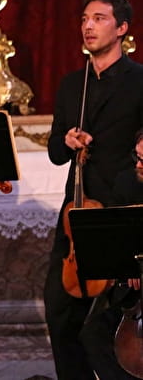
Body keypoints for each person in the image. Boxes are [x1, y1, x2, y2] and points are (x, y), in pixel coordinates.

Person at [46, 0, 143, 379]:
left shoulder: (139, 81)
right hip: (77, 212)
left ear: (121, 28)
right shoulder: (72, 84)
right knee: (59, 313)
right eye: (85, 19)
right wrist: (67, 140)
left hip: (121, 210)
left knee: (109, 326)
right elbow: (55, 151)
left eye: (99, 18)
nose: (88, 25)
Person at [77, 128, 143, 380]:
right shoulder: (127, 181)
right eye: (136, 157)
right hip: (135, 298)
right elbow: (116, 238)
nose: (138, 165)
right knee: (93, 334)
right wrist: (130, 264)